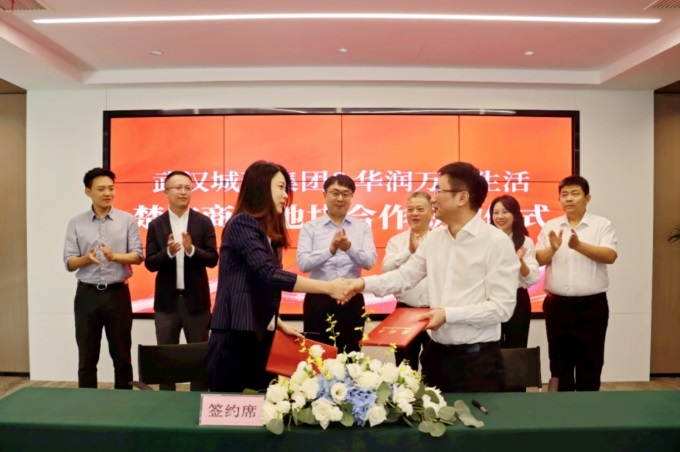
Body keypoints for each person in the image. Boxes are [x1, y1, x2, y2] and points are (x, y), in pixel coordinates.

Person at [344, 162, 519, 392]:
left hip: (478, 361)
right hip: (436, 356)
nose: (433, 199)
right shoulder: (434, 239)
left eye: (439, 190)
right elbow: (403, 277)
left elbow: (502, 308)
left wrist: (448, 315)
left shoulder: (495, 242)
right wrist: (361, 284)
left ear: (462, 197)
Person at [207, 161, 349, 392]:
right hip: (236, 335)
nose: (285, 196)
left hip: (261, 333)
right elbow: (269, 274)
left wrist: (278, 324)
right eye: (281, 188)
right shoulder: (242, 223)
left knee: (262, 401)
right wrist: (328, 287)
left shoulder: (268, 234)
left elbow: (258, 287)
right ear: (261, 188)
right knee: (233, 404)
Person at [63, 167, 144, 389]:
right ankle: (88, 405)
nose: (108, 193)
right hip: (87, 295)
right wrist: (86, 259)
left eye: (111, 188)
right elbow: (69, 262)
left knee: (122, 356)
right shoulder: (76, 223)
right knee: (87, 357)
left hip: (118, 294)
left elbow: (138, 256)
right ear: (88, 192)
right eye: (101, 189)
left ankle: (123, 403)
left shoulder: (127, 220)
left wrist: (114, 256)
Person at [536, 175, 617, 392]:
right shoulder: (551, 226)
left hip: (592, 306)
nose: (569, 199)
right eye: (564, 195)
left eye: (575, 194)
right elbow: (538, 260)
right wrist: (553, 248)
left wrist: (579, 246)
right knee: (559, 362)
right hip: (557, 306)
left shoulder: (601, 225)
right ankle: (562, 410)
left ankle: (587, 409)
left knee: (590, 362)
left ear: (587, 198)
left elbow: (610, 256)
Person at [145, 170, 218, 390]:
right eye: (178, 187)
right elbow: (150, 263)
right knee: (166, 361)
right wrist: (168, 253)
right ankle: (167, 404)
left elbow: (213, 259)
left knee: (199, 360)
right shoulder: (156, 225)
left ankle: (198, 403)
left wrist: (191, 250)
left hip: (197, 303)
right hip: (166, 304)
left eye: (188, 187)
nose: (184, 192)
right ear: (166, 192)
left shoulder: (203, 222)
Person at [297, 174, 377, 353]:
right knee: (317, 355)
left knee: (351, 356)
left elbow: (369, 262)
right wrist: (330, 250)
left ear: (351, 197)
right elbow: (303, 264)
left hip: (351, 299)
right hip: (318, 298)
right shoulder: (310, 227)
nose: (340, 198)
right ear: (324, 195)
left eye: (345, 194)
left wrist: (349, 248)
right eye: (335, 193)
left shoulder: (362, 227)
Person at [382, 191, 433, 369]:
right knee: (404, 367)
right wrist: (408, 251)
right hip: (405, 311)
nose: (414, 214)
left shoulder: (441, 239)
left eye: (420, 209)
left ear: (432, 212)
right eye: (410, 209)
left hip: (434, 312)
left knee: (435, 367)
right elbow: (387, 269)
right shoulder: (397, 241)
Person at [489, 195, 540, 349]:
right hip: (491, 297)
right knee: (491, 345)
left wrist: (519, 262)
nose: (500, 216)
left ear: (515, 215)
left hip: (518, 298)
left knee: (517, 347)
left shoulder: (525, 241)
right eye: (496, 212)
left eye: (505, 212)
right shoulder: (486, 240)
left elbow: (532, 278)